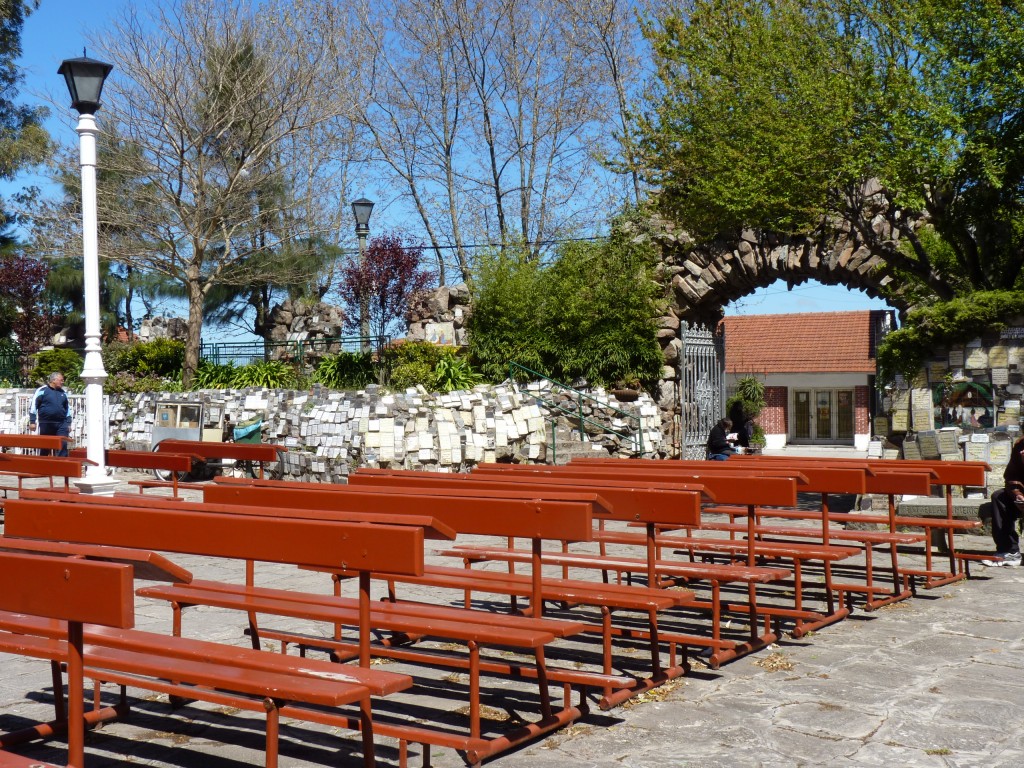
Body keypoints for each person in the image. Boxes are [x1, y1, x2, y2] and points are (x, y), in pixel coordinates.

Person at [982, 434, 1024, 567]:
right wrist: (1017, 494)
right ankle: (1009, 550)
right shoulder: (1020, 445)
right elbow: (1011, 476)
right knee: (999, 497)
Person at [29, 372, 71, 457]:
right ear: (53, 380)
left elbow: (67, 409)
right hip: (46, 423)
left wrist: (69, 423)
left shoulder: (63, 392)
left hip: (61, 424)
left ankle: (61, 467)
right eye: (61, 380)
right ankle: (43, 467)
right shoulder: (42, 390)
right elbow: (34, 405)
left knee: (62, 445)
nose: (63, 382)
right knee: (45, 446)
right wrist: (32, 421)